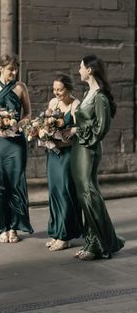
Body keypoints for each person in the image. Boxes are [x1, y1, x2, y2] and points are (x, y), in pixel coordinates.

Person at [63, 55, 125, 260]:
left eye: (81, 67)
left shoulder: (100, 97)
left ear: (89, 70)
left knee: (89, 194)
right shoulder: (87, 93)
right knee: (85, 195)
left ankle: (100, 244)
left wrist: (75, 131)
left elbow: (100, 129)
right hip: (79, 149)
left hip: (88, 149)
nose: (79, 70)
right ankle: (92, 242)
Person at [0, 54, 34, 243]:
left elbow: (28, 113)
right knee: (0, 184)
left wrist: (17, 124)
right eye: (10, 69)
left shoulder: (21, 87)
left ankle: (14, 227)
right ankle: (2, 228)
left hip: (16, 142)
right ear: (0, 69)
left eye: (16, 69)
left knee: (16, 182)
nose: (14, 72)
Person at [44, 74, 83, 251]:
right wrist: (43, 132)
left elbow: (79, 129)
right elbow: (47, 125)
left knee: (65, 191)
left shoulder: (76, 105)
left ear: (68, 88)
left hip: (68, 153)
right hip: (53, 153)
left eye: (59, 89)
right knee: (54, 191)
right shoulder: (53, 103)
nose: (56, 92)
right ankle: (56, 232)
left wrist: (68, 133)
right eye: (54, 89)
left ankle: (66, 236)